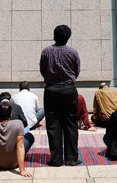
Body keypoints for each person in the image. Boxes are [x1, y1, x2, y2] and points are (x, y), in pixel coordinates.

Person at [39, 24, 81, 167]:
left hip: (52, 90)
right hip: (69, 90)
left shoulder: (46, 52)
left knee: (53, 125)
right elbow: (76, 71)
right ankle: (72, 158)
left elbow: (43, 70)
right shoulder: (73, 52)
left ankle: (56, 159)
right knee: (71, 124)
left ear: (54, 35)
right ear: (68, 38)